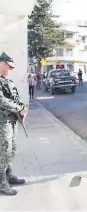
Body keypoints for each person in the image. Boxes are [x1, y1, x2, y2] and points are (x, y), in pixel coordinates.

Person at [0, 52, 27, 196]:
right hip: (2, 122)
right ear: (1, 64)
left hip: (11, 120)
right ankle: (1, 182)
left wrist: (23, 107)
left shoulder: (7, 81)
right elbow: (2, 100)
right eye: (9, 66)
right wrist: (17, 108)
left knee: (12, 149)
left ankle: (9, 175)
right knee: (4, 150)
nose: (10, 69)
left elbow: (15, 98)